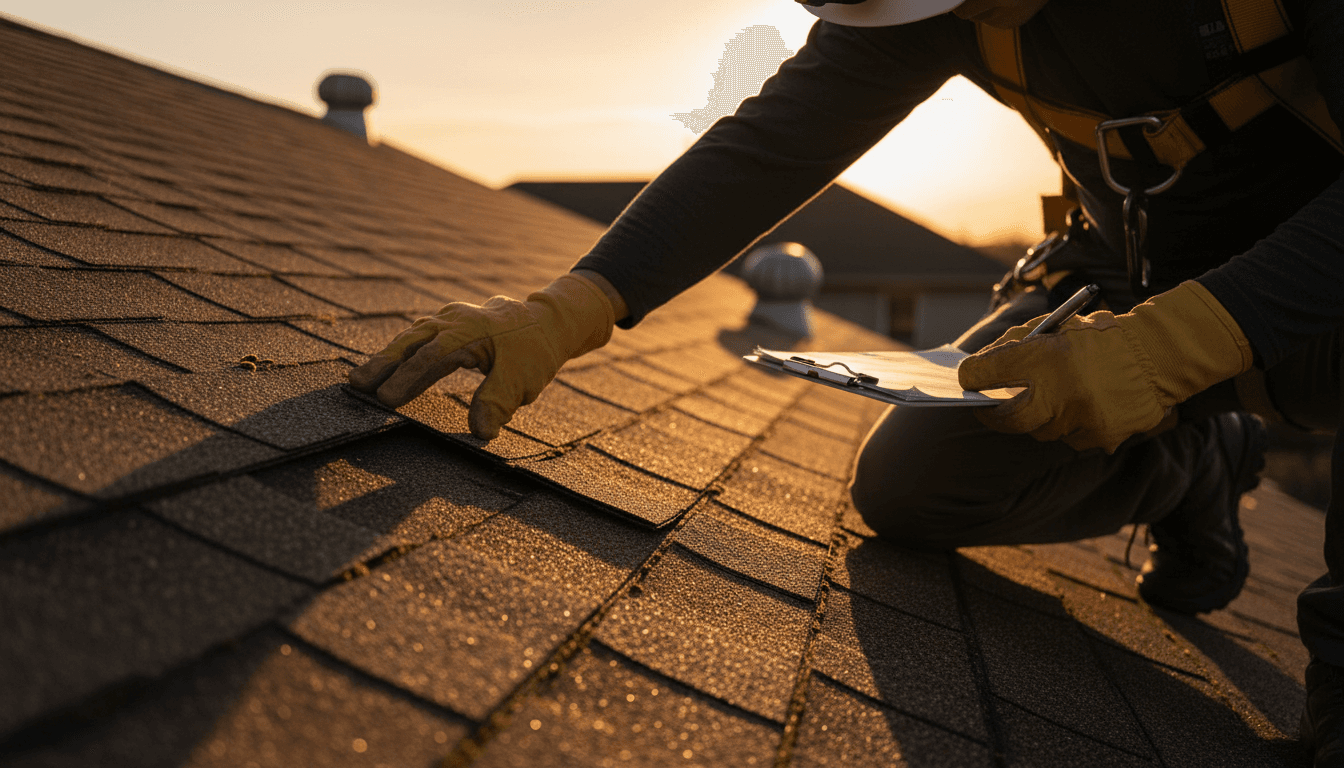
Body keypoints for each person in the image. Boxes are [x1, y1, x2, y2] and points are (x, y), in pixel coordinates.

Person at [349, 0, 1344, 761]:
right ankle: (1201, 462)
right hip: (1117, 292)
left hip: (1317, 310)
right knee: (914, 483)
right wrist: (571, 305)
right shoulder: (931, 10)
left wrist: (1174, 347)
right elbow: (773, 143)